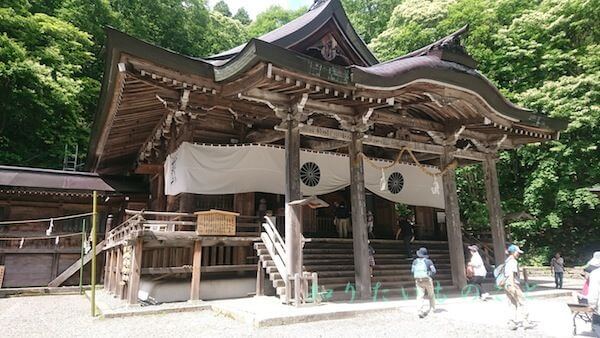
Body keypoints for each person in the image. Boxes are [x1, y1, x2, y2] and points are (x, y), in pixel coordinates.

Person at [503, 244, 534, 330]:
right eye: (517, 252)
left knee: (512, 303)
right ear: (513, 252)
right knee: (522, 302)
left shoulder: (507, 261)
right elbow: (511, 274)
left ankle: (512, 322)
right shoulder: (513, 261)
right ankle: (525, 321)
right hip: (513, 284)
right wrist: (512, 285)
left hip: (506, 284)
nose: (518, 254)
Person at [412, 247, 436, 318]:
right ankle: (432, 309)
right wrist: (429, 275)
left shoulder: (415, 262)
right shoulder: (428, 261)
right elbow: (434, 271)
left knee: (420, 295)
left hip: (418, 280)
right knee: (431, 294)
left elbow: (412, 270)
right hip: (427, 280)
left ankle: (420, 310)